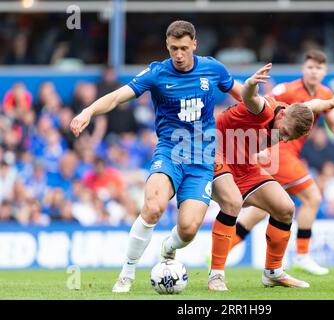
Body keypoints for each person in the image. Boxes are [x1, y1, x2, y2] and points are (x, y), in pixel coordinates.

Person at [70, 20, 242, 293]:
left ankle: (168, 248)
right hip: (169, 153)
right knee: (152, 207)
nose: (179, 54)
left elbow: (242, 94)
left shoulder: (213, 69)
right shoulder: (157, 73)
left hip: (202, 160)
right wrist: (88, 111)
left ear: (195, 44)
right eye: (174, 48)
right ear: (167, 45)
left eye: (184, 48)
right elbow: (116, 97)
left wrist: (265, 104)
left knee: (188, 229)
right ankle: (126, 273)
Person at [208, 63, 334, 290]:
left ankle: (273, 272)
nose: (284, 139)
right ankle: (216, 275)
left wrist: (330, 102)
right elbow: (250, 98)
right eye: (285, 133)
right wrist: (249, 84)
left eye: (289, 138)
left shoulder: (292, 114)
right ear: (283, 115)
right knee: (231, 203)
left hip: (244, 163)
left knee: (285, 208)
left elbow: (312, 105)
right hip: (214, 151)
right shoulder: (264, 109)